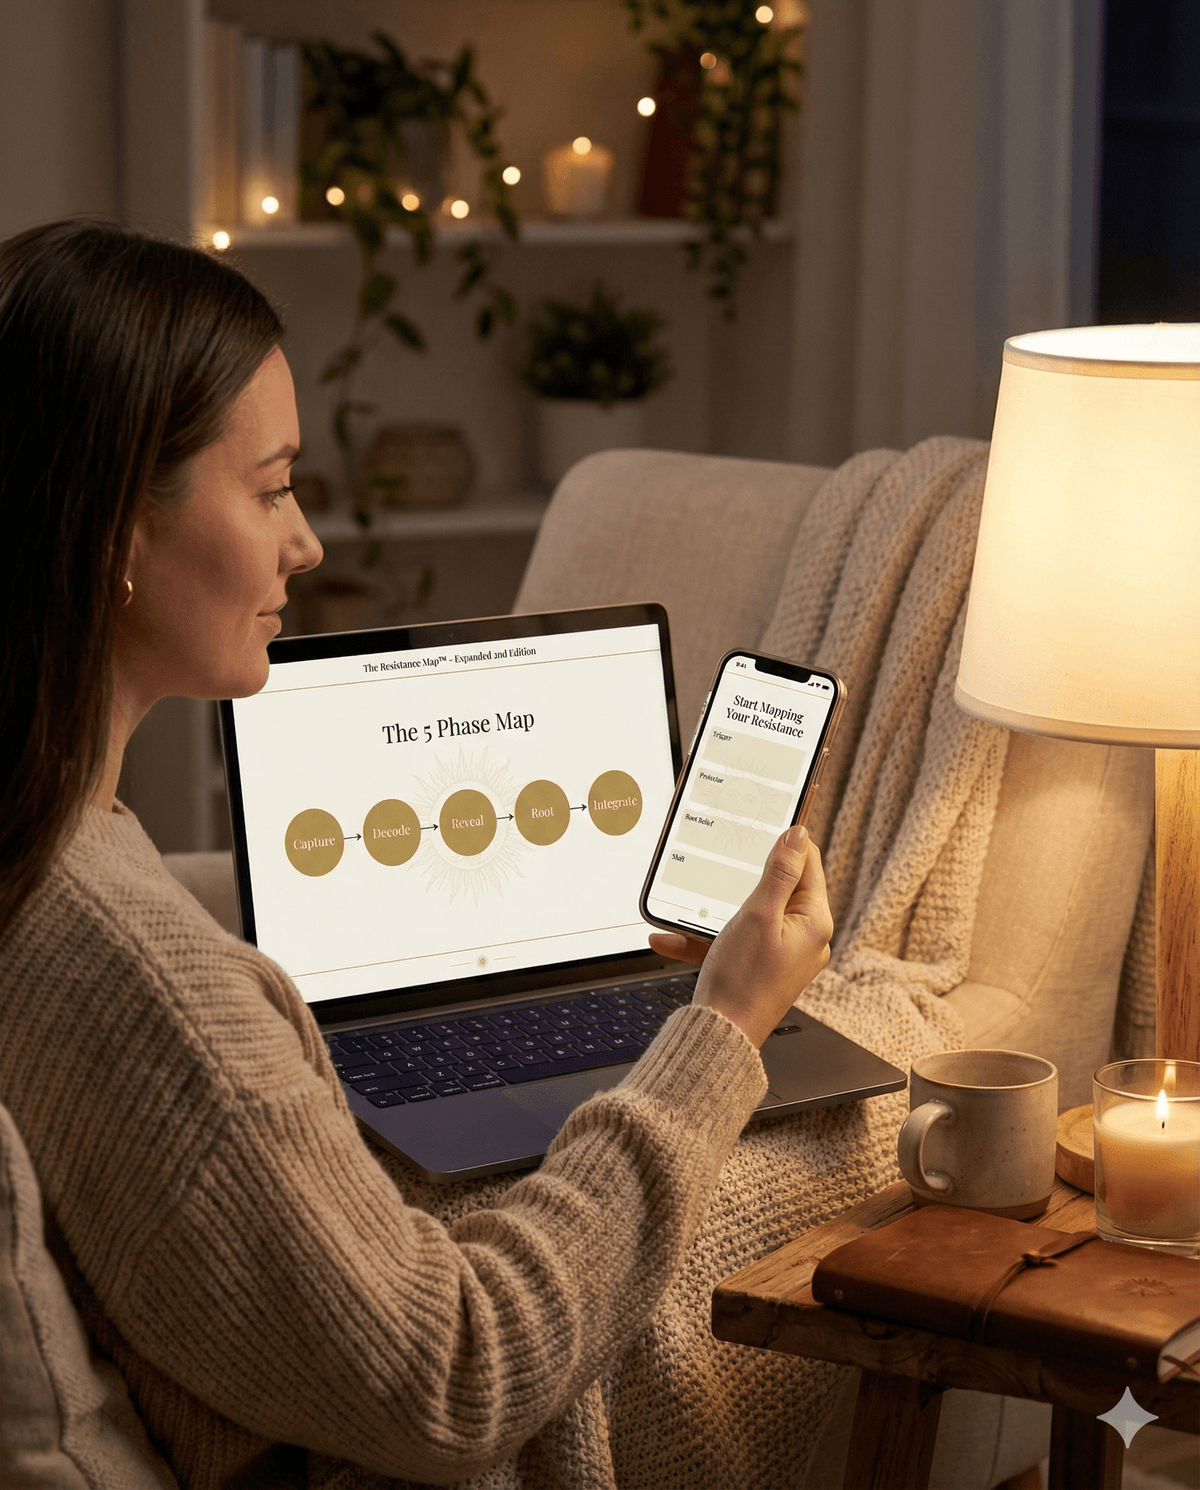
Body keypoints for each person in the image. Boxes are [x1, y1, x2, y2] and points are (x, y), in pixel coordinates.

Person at [0, 220, 833, 1490]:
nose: (307, 544)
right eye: (271, 487)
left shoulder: (44, 837)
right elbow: (462, 1371)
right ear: (116, 529)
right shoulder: (142, 978)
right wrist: (721, 1024)